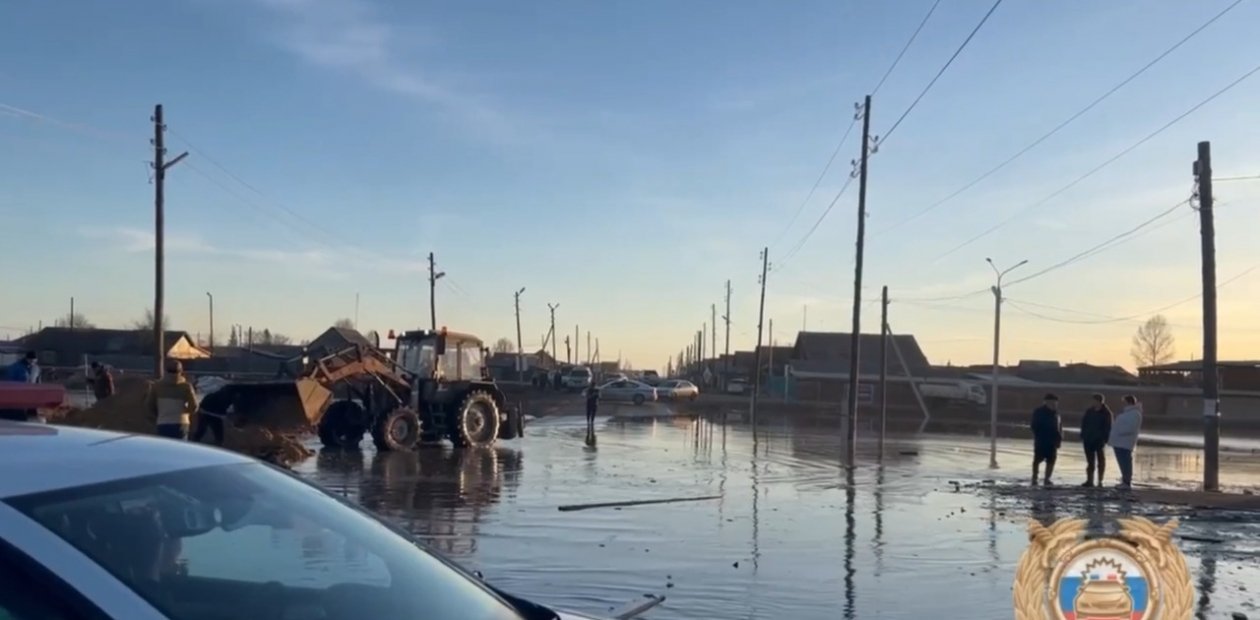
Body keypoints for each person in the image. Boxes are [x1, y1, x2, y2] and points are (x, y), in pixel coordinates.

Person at [146, 360, 198, 441]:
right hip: (181, 423)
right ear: (181, 371)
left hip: (163, 423)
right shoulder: (186, 387)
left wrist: (157, 416)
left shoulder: (157, 386)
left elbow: (149, 405)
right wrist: (185, 412)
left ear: (165, 371)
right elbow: (194, 406)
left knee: (165, 447)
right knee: (180, 447)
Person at [1079, 393, 1113, 487]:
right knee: (1090, 461)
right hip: (1088, 439)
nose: (1093, 402)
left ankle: (1100, 480)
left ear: (1100, 401)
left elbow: (1108, 427)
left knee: (1101, 461)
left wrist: (1105, 438)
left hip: (1099, 440)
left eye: (1095, 401)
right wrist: (1083, 435)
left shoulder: (1106, 413)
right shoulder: (1089, 411)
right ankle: (1089, 480)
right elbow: (1084, 423)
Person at [1110, 395, 1143, 490]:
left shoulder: (1135, 414)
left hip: (1125, 443)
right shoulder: (1128, 413)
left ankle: (1127, 482)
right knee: (1122, 462)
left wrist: (1118, 431)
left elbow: (1131, 428)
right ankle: (1124, 480)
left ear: (1128, 402)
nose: (1122, 404)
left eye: (1124, 402)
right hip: (1119, 442)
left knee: (1125, 463)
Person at [1030, 393, 1063, 486]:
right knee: (1037, 459)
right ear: (1047, 402)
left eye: (1056, 402)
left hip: (1052, 442)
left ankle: (1047, 478)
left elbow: (1059, 427)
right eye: (1053, 402)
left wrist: (1059, 439)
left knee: (1051, 460)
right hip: (1041, 440)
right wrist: (1039, 435)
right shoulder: (1039, 412)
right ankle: (1035, 477)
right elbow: (1034, 425)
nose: (1054, 404)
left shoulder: (1056, 413)